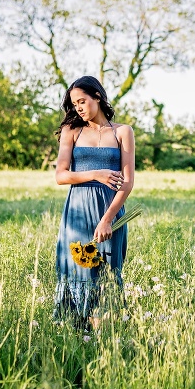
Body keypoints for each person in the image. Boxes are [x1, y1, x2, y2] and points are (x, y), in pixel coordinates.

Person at [52, 75, 135, 330]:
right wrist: (95, 174)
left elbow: (128, 182)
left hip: (110, 214)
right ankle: (76, 336)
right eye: (74, 103)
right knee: (78, 273)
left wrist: (108, 219)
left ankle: (103, 341)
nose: (77, 107)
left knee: (107, 275)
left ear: (97, 96)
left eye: (82, 101)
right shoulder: (72, 131)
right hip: (77, 213)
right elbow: (61, 175)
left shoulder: (122, 131)